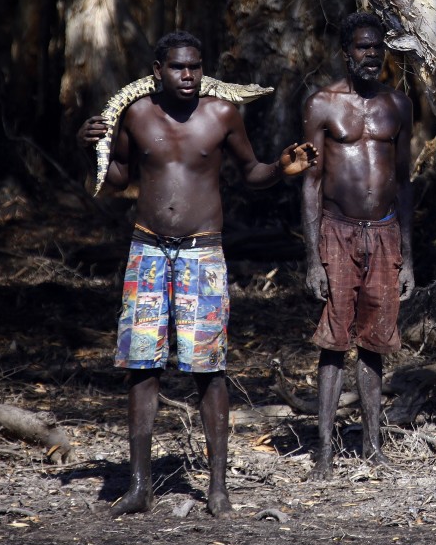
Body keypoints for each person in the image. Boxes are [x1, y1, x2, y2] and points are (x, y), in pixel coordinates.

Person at [77, 31, 316, 517]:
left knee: (209, 369)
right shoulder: (137, 114)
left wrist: (279, 168)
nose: (188, 76)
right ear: (157, 68)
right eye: (178, 67)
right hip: (146, 250)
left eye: (195, 66)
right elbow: (118, 176)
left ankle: (218, 491)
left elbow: (250, 171)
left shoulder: (222, 114)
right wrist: (91, 146)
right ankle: (140, 487)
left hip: (202, 255)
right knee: (142, 367)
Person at [301, 12, 414, 480]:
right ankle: (324, 453)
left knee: (376, 342)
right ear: (347, 52)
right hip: (337, 230)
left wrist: (409, 257)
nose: (372, 55)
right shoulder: (322, 105)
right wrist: (312, 258)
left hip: (385, 232)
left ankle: (373, 447)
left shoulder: (398, 105)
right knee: (334, 342)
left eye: (378, 47)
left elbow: (405, 183)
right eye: (363, 47)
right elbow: (308, 182)